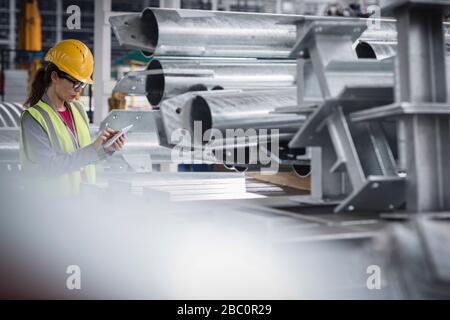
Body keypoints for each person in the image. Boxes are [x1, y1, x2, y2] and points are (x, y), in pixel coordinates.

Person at [19, 39, 125, 195]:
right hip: (48, 209)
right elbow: (49, 167)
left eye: (82, 85)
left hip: (81, 203)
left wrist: (106, 150)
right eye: (75, 83)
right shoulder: (34, 118)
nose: (78, 90)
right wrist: (92, 149)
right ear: (55, 77)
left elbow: (85, 159)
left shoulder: (78, 109)